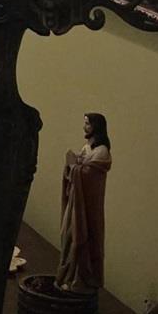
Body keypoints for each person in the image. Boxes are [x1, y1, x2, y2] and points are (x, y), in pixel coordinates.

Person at [56, 111, 111, 296]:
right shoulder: (88, 148)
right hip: (76, 204)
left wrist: (74, 166)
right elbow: (79, 168)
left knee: (84, 238)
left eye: (87, 124)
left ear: (96, 127)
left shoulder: (101, 152)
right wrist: (72, 164)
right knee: (69, 235)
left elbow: (88, 175)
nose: (84, 127)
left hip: (88, 209)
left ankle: (82, 279)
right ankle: (70, 277)